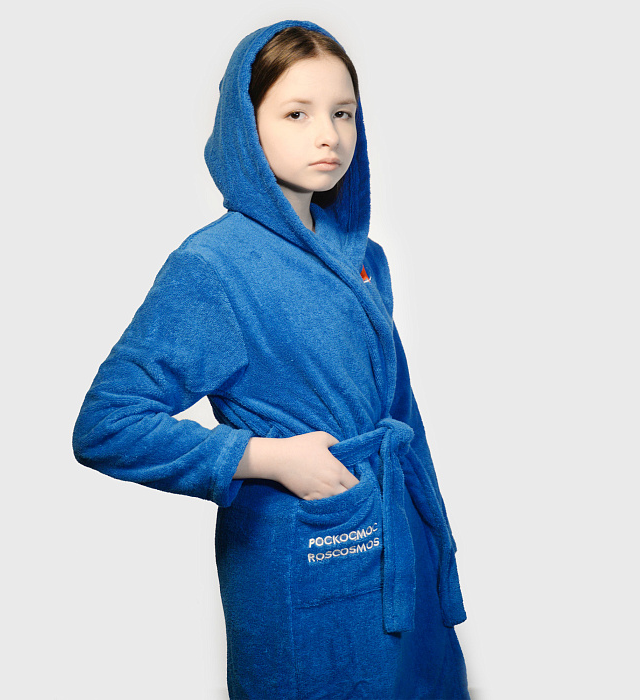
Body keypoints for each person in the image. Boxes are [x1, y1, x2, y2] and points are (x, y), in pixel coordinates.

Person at [73, 19, 469, 699]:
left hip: (396, 533)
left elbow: (404, 413)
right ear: (246, 127)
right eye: (297, 113)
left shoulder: (364, 258)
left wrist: (437, 549)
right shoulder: (212, 267)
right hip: (304, 545)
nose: (329, 135)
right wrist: (267, 458)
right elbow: (107, 425)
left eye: (343, 113)